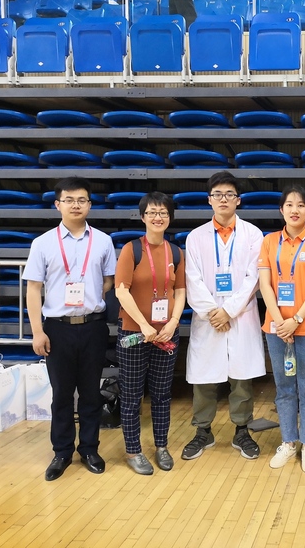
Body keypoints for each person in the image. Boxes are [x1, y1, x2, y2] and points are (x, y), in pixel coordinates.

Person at [24, 177, 116, 482]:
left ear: (89, 204)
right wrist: (37, 332)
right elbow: (33, 289)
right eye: (69, 200)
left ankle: (89, 449)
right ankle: (62, 452)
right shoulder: (42, 243)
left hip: (92, 327)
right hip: (57, 328)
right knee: (62, 394)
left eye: (82, 200)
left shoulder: (103, 241)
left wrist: (89, 299)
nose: (76, 205)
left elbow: (108, 281)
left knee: (91, 392)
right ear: (58, 204)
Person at [182, 171, 265, 461]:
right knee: (204, 378)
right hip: (209, 318)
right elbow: (192, 279)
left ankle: (242, 430)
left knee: (241, 378)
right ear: (209, 200)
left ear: (238, 200)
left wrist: (228, 311)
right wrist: (213, 312)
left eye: (229, 194)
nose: (223, 199)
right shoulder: (196, 237)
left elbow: (254, 278)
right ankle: (202, 430)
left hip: (239, 316)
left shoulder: (253, 235)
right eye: (217, 194)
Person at [258, 186, 305, 473]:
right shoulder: (269, 242)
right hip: (276, 328)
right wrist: (280, 322)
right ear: (281, 210)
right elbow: (265, 285)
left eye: (301, 205)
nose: (294, 210)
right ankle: (288, 441)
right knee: (285, 388)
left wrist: (296, 319)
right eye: (289, 204)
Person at [114, 192, 186, 475]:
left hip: (166, 333)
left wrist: (174, 321)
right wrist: (143, 324)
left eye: (163, 213)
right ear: (143, 217)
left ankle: (161, 446)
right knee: (132, 396)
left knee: (162, 394)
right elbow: (121, 290)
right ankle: (133, 451)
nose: (158, 217)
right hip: (135, 333)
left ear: (170, 218)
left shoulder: (176, 252)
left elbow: (180, 290)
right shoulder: (131, 250)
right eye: (152, 212)